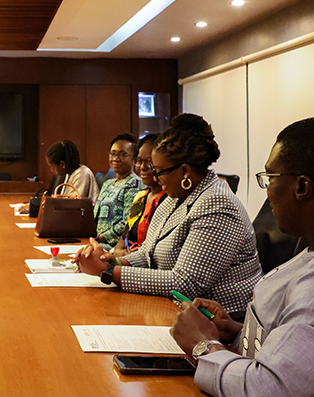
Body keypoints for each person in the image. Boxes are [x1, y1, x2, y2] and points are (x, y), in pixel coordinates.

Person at [171, 116, 314, 397]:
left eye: (270, 178)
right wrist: (238, 331)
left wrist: (203, 347)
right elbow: (304, 340)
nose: (267, 190)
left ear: (302, 187)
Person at [75, 114, 261, 313]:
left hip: (220, 320)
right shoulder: (173, 198)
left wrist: (109, 272)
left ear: (185, 171)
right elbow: (148, 252)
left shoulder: (217, 204)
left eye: (160, 170)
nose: (155, 176)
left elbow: (186, 284)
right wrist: (112, 260)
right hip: (172, 309)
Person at [111, 134, 166, 256]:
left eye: (149, 162)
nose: (142, 167)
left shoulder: (169, 199)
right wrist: (120, 252)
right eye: (139, 161)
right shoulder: (140, 196)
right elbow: (122, 241)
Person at [94, 133, 143, 247]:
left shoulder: (135, 184)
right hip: (97, 241)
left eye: (122, 155)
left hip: (116, 246)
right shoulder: (107, 183)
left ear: (134, 159)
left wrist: (101, 238)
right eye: (112, 154)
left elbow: (127, 223)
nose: (115, 159)